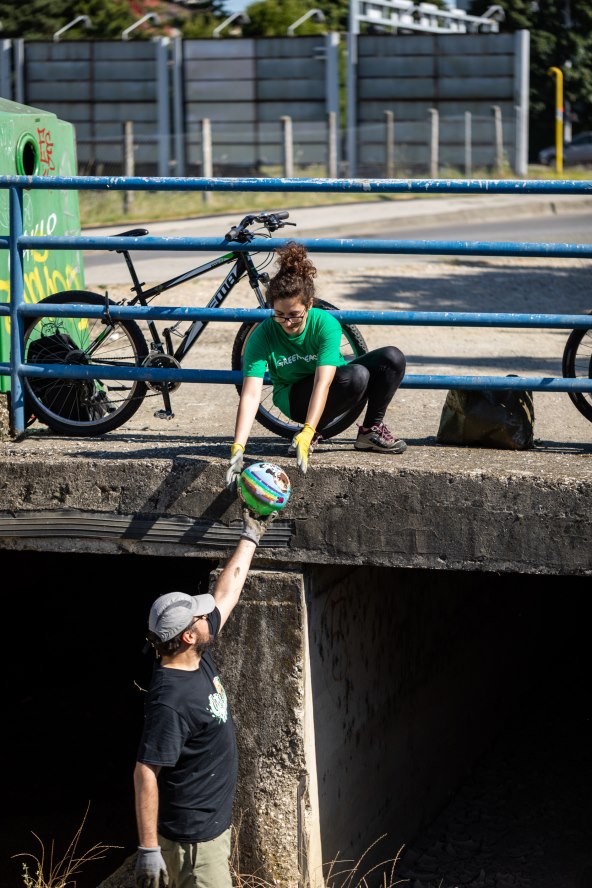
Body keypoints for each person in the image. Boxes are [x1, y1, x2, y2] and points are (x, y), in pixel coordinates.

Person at [133, 506, 275, 888]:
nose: (207, 612)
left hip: (210, 832)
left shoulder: (194, 655)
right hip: (192, 846)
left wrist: (251, 535)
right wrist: (148, 850)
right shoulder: (171, 701)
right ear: (188, 636)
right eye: (199, 616)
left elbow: (225, 592)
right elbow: (146, 770)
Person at [226, 242, 407, 485]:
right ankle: (307, 436)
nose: (287, 323)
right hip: (293, 397)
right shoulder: (263, 334)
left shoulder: (325, 324)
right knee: (357, 376)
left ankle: (369, 432)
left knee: (391, 357)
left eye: (294, 315)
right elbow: (250, 394)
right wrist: (238, 446)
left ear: (309, 305)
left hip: (331, 386)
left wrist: (309, 429)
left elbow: (323, 383)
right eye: (279, 314)